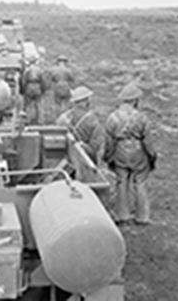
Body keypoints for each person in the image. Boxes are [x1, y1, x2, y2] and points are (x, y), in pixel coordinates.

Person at [103, 82, 157, 225]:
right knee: (140, 182)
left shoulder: (112, 117)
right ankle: (142, 216)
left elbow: (109, 141)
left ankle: (122, 215)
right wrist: (152, 155)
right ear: (135, 100)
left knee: (121, 182)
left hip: (120, 151)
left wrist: (108, 156)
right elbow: (148, 141)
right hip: (138, 151)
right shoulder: (142, 118)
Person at [56, 86, 104, 165]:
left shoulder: (63, 118)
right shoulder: (92, 120)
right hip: (84, 163)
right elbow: (95, 148)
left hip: (65, 161)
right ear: (86, 101)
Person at [22, 56, 46, 124]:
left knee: (28, 104)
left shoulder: (27, 70)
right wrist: (43, 90)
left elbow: (24, 81)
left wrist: (23, 91)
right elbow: (42, 81)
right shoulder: (39, 70)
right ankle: (40, 120)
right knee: (39, 104)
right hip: (37, 86)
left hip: (29, 86)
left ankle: (28, 120)